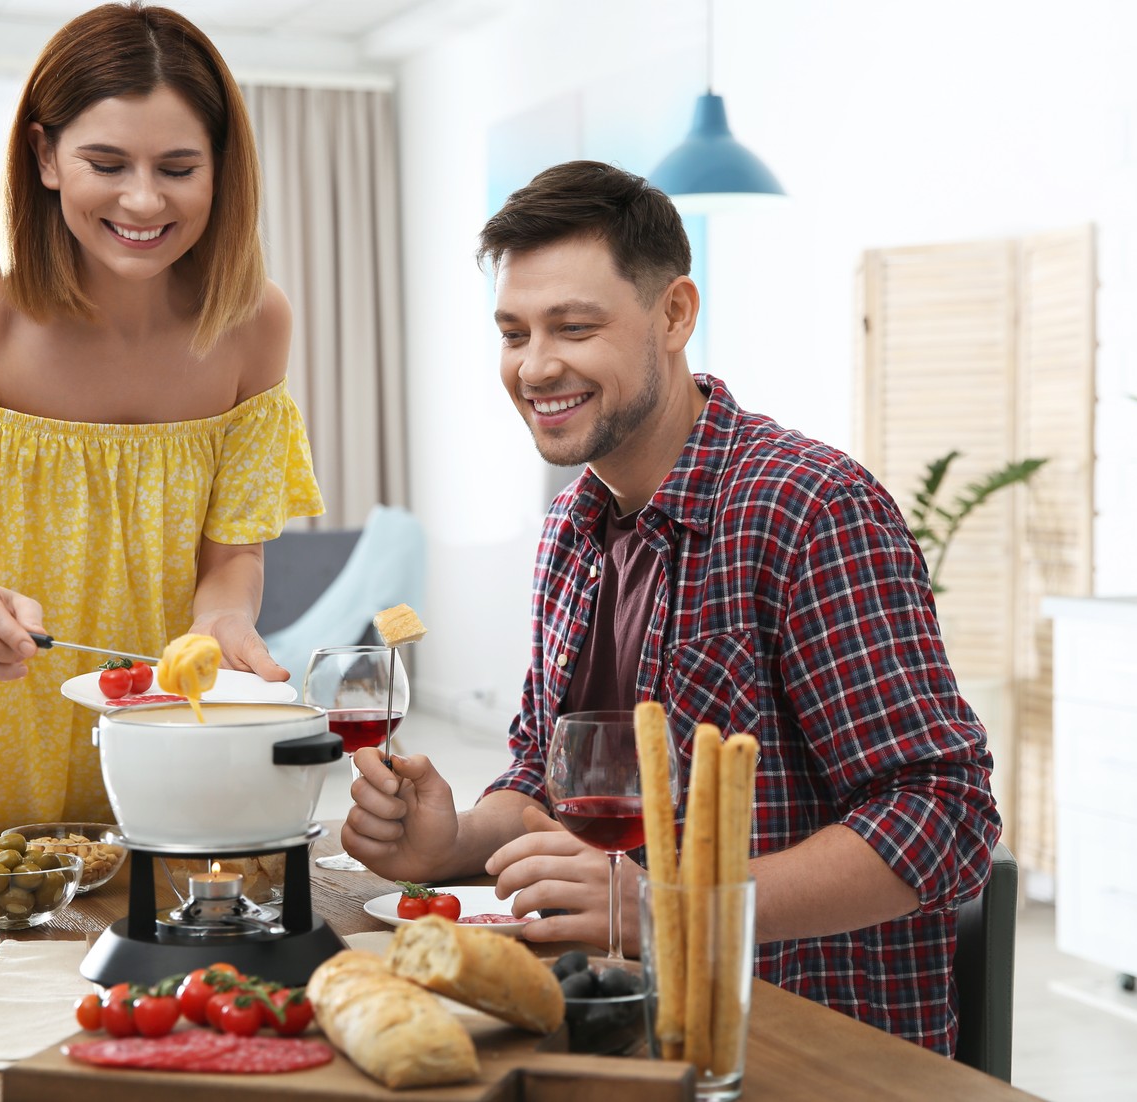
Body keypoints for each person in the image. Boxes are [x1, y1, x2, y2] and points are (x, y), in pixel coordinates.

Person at [341, 160, 999, 1055]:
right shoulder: (569, 531)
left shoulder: (806, 507)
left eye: (574, 327)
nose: (535, 367)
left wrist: (671, 908)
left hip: (800, 1049)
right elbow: (546, 774)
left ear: (676, 315)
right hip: (620, 1030)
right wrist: (450, 838)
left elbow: (940, 812)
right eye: (513, 331)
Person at [0, 2, 322, 849]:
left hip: (178, 746)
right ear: (45, 156)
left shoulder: (254, 321)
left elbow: (231, 560)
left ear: (222, 169)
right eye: (106, 162)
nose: (144, 199)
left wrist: (221, 622)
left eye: (179, 166)